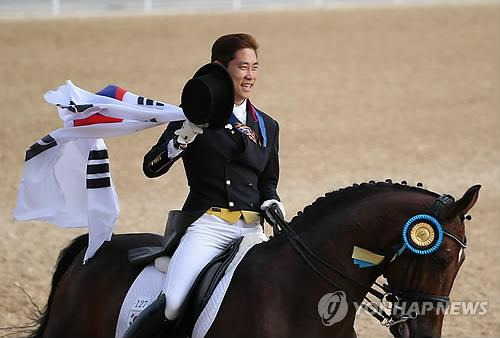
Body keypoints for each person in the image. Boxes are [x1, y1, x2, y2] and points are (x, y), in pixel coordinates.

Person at [124, 33, 285, 337]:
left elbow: (268, 180)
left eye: (255, 67)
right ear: (220, 68)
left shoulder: (267, 124)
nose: (250, 75)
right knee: (172, 304)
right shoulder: (194, 116)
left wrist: (272, 201)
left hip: (251, 230)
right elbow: (151, 167)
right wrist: (182, 138)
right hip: (208, 226)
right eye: (242, 67)